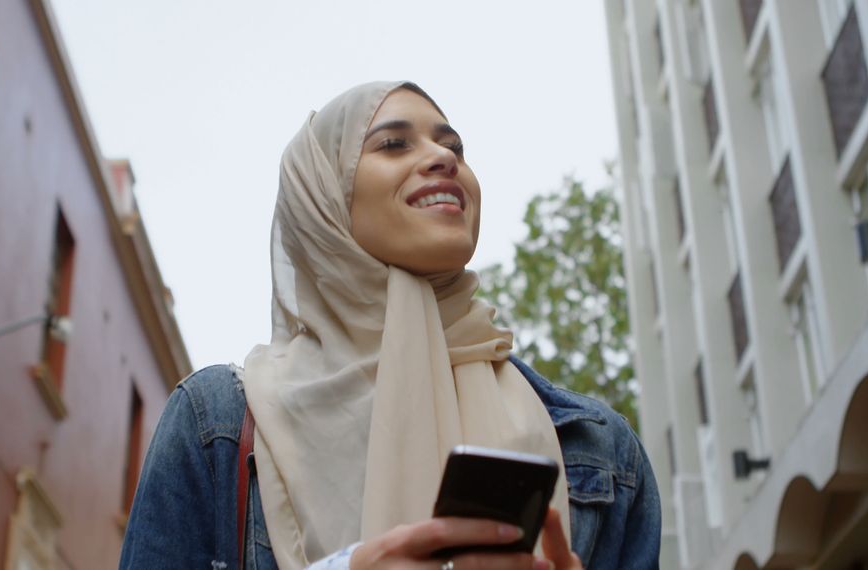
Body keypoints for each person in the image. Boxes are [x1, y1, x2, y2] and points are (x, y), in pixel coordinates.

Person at [119, 81, 661, 570]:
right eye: (393, 144)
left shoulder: (599, 449)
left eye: (453, 147)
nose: (441, 158)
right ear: (323, 199)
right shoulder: (215, 424)